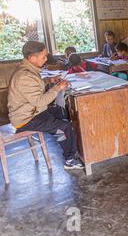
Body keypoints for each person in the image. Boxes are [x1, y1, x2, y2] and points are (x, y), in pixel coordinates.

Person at [7, 41, 84, 170]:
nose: (46, 59)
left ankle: (64, 139)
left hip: (32, 111)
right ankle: (70, 159)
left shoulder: (28, 69)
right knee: (65, 127)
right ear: (32, 58)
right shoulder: (25, 76)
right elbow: (40, 101)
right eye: (43, 57)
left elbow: (34, 87)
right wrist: (58, 87)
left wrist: (48, 80)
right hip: (26, 119)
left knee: (62, 113)